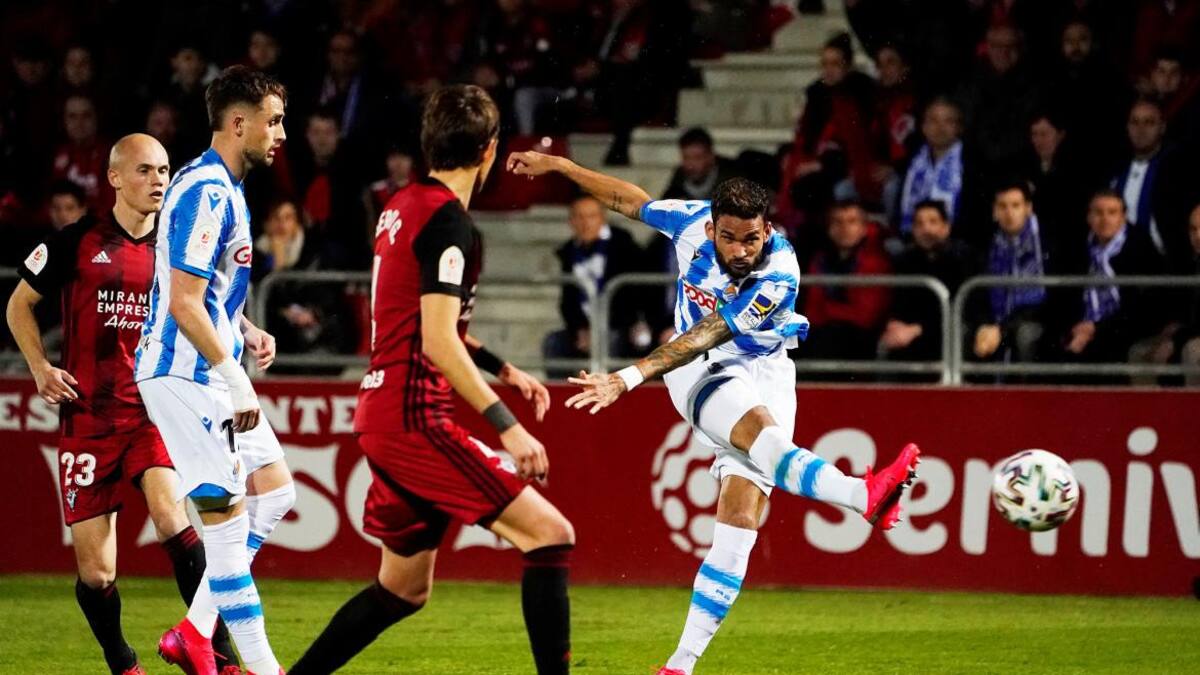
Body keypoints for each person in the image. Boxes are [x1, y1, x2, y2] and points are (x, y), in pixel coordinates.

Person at [506, 151, 919, 675]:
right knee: (767, 444)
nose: (742, 249)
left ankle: (679, 666)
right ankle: (864, 495)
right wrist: (563, 167)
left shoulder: (779, 271)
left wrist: (627, 376)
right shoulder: (687, 222)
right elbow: (630, 201)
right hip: (698, 367)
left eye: (752, 238)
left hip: (766, 367)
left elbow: (717, 324)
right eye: (730, 238)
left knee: (740, 521)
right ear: (711, 226)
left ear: (767, 228)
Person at [290, 85, 574, 675]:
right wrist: (509, 428)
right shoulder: (450, 223)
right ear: (490, 150)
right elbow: (438, 341)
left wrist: (503, 367)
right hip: (414, 417)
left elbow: (417, 319)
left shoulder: (402, 204)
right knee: (550, 534)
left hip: (380, 411)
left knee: (402, 590)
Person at [5, 134, 235, 675]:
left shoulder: (175, 248)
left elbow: (209, 302)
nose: (159, 180)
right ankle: (122, 660)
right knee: (98, 573)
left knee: (170, 517)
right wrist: (40, 367)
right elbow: (19, 306)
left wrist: (249, 327)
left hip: (152, 410)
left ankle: (216, 654)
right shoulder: (75, 242)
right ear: (114, 179)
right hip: (86, 418)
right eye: (146, 170)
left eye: (164, 171)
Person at [134, 66, 295, 675]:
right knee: (226, 532)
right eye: (273, 121)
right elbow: (181, 301)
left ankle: (194, 629)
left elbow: (207, 289)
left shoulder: (228, 187)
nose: (281, 133)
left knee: (277, 491)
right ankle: (263, 669)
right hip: (184, 376)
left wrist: (245, 326)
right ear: (238, 122)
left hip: (208, 367)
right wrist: (236, 377)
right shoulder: (205, 189)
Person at [1056, 190, 1167, 372]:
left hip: (1122, 327)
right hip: (1082, 325)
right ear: (1089, 217)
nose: (1105, 219)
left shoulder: (1140, 246)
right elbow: (1066, 295)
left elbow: (1143, 307)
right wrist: (1078, 327)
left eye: (1112, 212)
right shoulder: (1078, 246)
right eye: (1098, 213)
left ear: (1123, 217)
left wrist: (1096, 328)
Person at [543, 194, 648, 371]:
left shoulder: (624, 246)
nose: (585, 223)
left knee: (611, 343)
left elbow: (637, 294)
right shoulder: (568, 252)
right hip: (585, 326)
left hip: (618, 325)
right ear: (571, 221)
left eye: (591, 216)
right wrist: (580, 328)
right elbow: (567, 302)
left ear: (603, 218)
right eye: (579, 217)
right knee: (554, 343)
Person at [880, 199, 977, 366]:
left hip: (947, 330)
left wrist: (917, 329)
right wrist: (895, 322)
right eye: (919, 224)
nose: (926, 229)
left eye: (933, 222)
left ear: (946, 227)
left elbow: (963, 309)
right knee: (887, 341)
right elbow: (899, 302)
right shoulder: (905, 261)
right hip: (912, 332)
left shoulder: (963, 258)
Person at [801, 201, 893, 366]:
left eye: (851, 222)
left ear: (864, 228)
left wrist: (828, 309)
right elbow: (812, 311)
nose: (844, 228)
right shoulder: (820, 260)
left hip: (862, 337)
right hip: (824, 334)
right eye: (837, 222)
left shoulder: (876, 261)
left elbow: (866, 316)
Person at [973, 182, 1050, 366]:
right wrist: (985, 325)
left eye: (1016, 205)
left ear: (1028, 208)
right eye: (1002, 206)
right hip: (994, 322)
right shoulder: (987, 244)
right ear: (994, 211)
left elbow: (1047, 300)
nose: (1009, 213)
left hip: (1033, 320)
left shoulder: (1045, 243)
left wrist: (1003, 328)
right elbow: (977, 293)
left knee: (1026, 335)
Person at [662, 128, 739, 201]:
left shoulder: (730, 179)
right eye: (686, 158)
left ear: (711, 157)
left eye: (697, 158)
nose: (691, 164)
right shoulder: (679, 178)